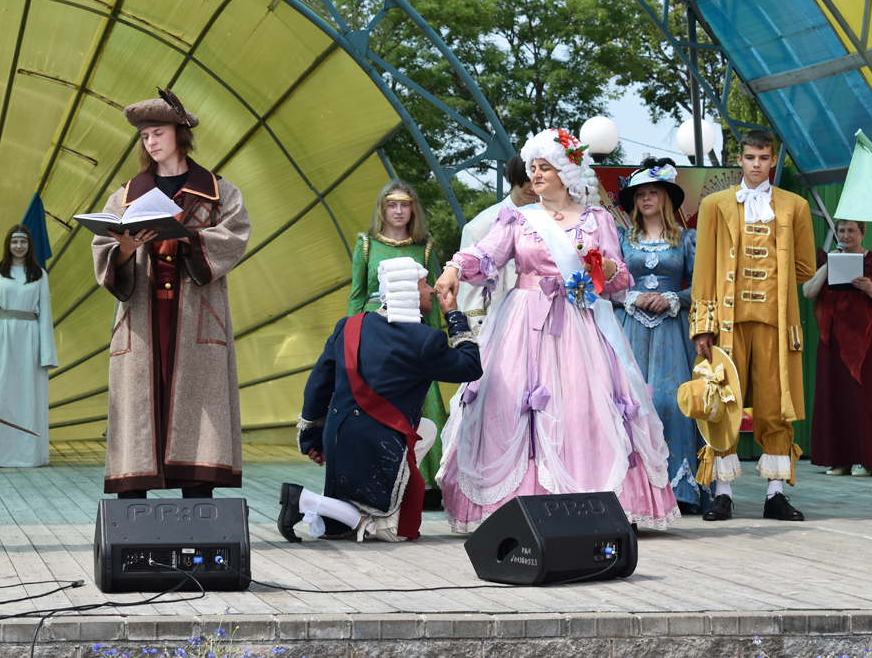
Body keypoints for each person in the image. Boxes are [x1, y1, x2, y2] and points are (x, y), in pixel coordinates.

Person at [435, 128, 680, 532]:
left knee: (584, 408)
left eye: (544, 168)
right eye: (532, 167)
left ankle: (598, 502)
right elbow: (485, 254)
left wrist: (604, 267)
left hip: (580, 325)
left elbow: (620, 281)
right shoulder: (518, 217)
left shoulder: (597, 220)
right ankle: (515, 507)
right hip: (524, 324)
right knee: (513, 406)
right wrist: (452, 269)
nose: (535, 175)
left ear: (566, 173)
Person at [93, 90, 250, 499]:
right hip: (142, 320)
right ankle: (132, 511)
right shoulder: (125, 196)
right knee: (138, 424)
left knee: (199, 423)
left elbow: (235, 238)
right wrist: (125, 249)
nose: (151, 142)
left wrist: (186, 238)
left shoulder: (220, 192)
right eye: (145, 136)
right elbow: (104, 249)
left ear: (180, 134)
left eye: (158, 133)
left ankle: (198, 507)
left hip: (197, 319)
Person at [279, 257, 482, 543]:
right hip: (375, 443)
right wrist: (454, 315)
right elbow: (470, 366)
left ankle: (356, 505)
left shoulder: (349, 326)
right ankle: (306, 500)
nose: (432, 291)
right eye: (424, 284)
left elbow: (318, 386)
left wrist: (314, 440)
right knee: (392, 532)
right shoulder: (423, 340)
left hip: (339, 436)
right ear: (408, 291)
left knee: (426, 429)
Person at [690, 128, 815, 522]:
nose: (756, 164)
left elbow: (805, 267)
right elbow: (704, 270)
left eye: (763, 158)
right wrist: (703, 325)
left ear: (773, 160)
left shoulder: (795, 206)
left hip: (776, 325)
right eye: (749, 157)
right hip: (728, 324)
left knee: (776, 407)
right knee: (722, 405)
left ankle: (775, 494)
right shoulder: (714, 204)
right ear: (740, 159)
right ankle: (722, 494)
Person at [614, 159, 709, 514]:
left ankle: (679, 490)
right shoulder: (621, 240)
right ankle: (632, 492)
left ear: (666, 197)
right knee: (631, 403)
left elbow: (701, 287)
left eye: (653, 192)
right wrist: (632, 296)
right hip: (630, 330)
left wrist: (673, 298)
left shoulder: (686, 240)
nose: (646, 198)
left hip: (672, 333)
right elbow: (605, 285)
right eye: (640, 194)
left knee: (673, 402)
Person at [347, 180, 448, 500]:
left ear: (413, 209)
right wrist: (349, 338)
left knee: (423, 400)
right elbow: (357, 295)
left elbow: (431, 296)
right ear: (382, 209)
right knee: (378, 400)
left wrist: (437, 340)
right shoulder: (365, 244)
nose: (399, 211)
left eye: (405, 205)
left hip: (414, 333)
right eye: (392, 204)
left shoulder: (425, 247)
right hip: (375, 331)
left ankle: (426, 482)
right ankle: (375, 478)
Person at [803, 219, 872, 476]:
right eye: (841, 230)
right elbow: (808, 292)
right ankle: (841, 459)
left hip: (868, 340)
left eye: (852, 230)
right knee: (837, 396)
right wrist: (829, 265)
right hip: (834, 341)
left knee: (867, 398)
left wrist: (869, 287)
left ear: (862, 233)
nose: (846, 235)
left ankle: (867, 459)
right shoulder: (828, 260)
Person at [0, 225, 57, 467]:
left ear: (29, 245)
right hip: (2, 339)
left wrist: (46, 354)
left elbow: (45, 315)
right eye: (14, 242)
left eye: (23, 241)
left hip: (30, 340)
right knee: (0, 394)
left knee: (29, 396)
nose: (19, 246)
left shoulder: (39, 274)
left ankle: (30, 455)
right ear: (8, 245)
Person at [455, 155, 537, 333]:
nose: (531, 187)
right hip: (501, 326)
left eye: (537, 180)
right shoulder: (481, 225)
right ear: (513, 177)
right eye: (525, 180)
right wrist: (478, 336)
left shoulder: (550, 221)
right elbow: (469, 293)